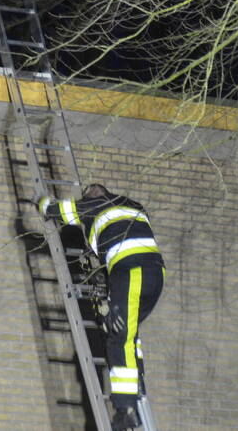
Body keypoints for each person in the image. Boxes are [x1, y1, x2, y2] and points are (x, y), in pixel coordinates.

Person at [39, 183, 165, 431]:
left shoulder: (94, 205)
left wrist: (41, 201)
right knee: (127, 330)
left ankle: (125, 410)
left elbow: (57, 210)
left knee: (118, 338)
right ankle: (137, 379)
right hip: (156, 275)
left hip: (130, 271)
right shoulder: (133, 206)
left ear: (91, 196)